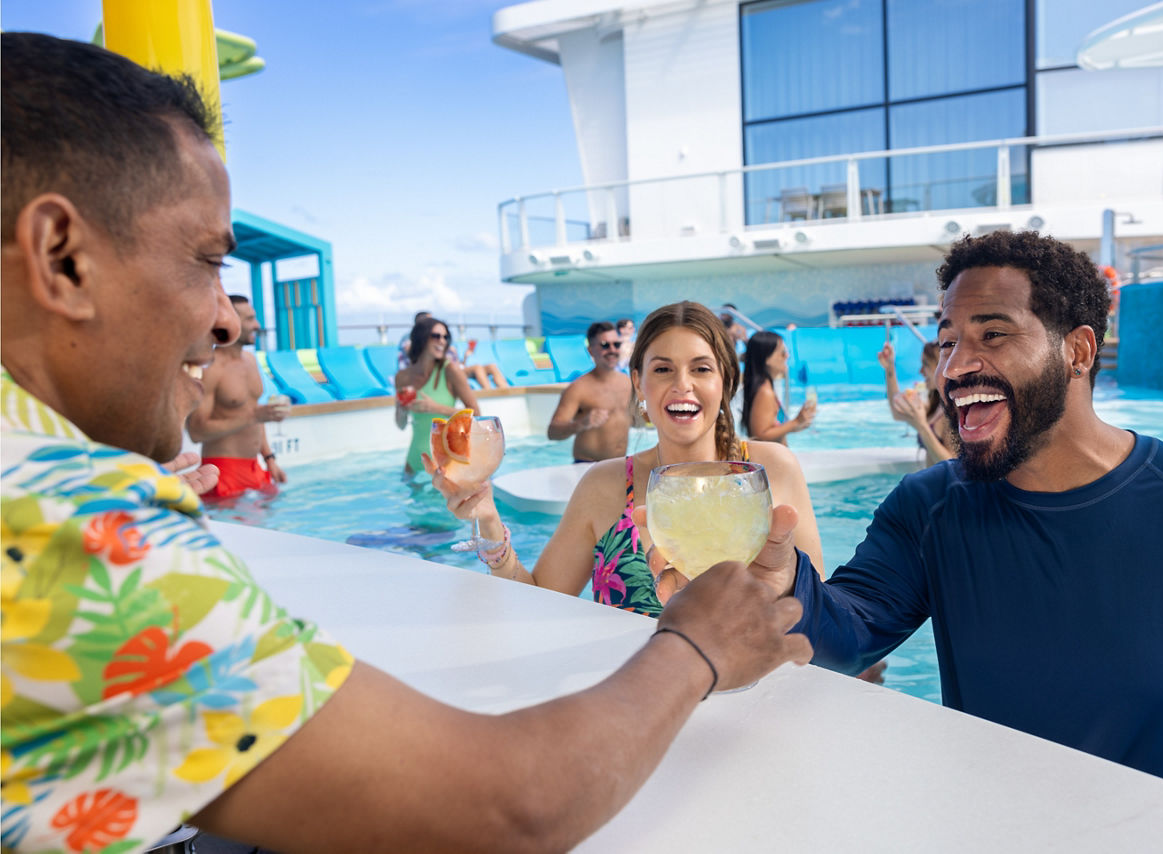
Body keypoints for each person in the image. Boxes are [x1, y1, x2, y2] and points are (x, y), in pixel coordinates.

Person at [0, 33, 811, 854]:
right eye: (207, 260)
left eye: (704, 368)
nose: (225, 317)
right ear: (61, 259)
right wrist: (696, 647)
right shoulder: (66, 523)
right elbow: (509, 804)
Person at [725, 230, 1163, 808]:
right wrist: (782, 583)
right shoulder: (929, 509)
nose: (956, 367)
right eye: (947, 342)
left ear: (1079, 352)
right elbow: (845, 634)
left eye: (993, 334)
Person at [440, 301, 826, 613]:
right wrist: (489, 522)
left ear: (724, 379)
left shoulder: (772, 471)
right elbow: (538, 602)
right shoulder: (604, 486)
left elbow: (823, 608)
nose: (682, 385)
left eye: (701, 368)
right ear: (638, 382)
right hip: (632, 702)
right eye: (663, 369)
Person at [186, 295, 290, 500]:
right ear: (229, 320)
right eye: (250, 319)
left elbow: (255, 413)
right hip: (222, 471)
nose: (257, 325)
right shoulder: (212, 368)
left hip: (255, 468)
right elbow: (197, 432)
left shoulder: (250, 360)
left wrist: (269, 458)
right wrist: (253, 415)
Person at [393, 317, 481, 475]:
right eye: (436, 336)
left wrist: (435, 408)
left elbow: (477, 414)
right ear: (421, 338)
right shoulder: (402, 377)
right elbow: (401, 425)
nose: (442, 341)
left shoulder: (451, 371)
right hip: (414, 462)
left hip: (447, 465)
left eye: (445, 337)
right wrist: (401, 409)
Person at [546, 321, 635, 463]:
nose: (612, 350)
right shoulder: (578, 389)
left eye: (616, 344)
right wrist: (582, 423)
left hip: (620, 465)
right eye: (605, 345)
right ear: (590, 350)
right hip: (587, 466)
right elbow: (552, 433)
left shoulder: (627, 383)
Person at [877, 337, 957, 466]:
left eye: (925, 364)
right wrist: (889, 368)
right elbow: (897, 413)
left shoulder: (953, 413)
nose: (920, 371)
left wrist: (922, 427)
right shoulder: (937, 404)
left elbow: (953, 467)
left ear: (941, 367)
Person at [741, 330, 816, 445]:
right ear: (767, 358)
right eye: (782, 352)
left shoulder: (766, 387)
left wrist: (799, 423)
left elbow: (771, 429)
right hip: (768, 460)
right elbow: (760, 435)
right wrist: (795, 422)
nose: (787, 356)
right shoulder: (765, 392)